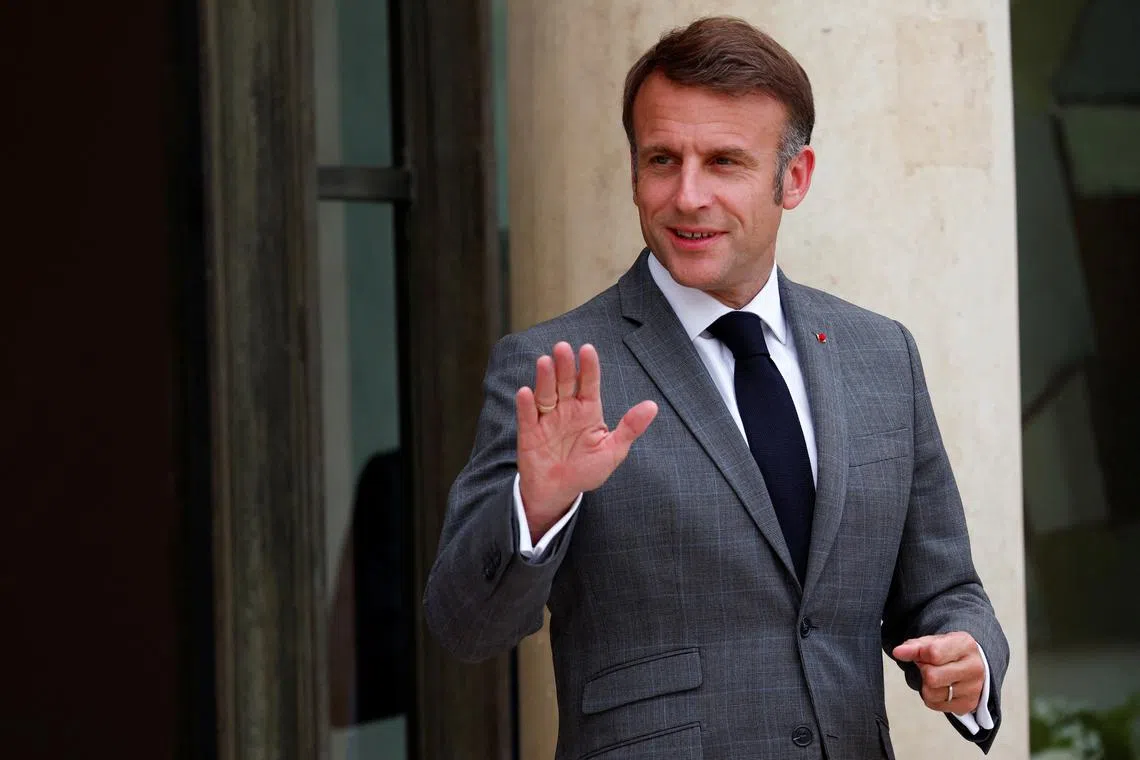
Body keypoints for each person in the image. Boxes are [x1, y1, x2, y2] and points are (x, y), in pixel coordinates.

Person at [425, 16, 1008, 760]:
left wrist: (971, 654)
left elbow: (945, 587)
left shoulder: (880, 355)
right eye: (662, 159)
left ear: (793, 178)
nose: (687, 196)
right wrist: (537, 507)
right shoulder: (552, 367)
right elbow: (463, 626)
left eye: (725, 162)